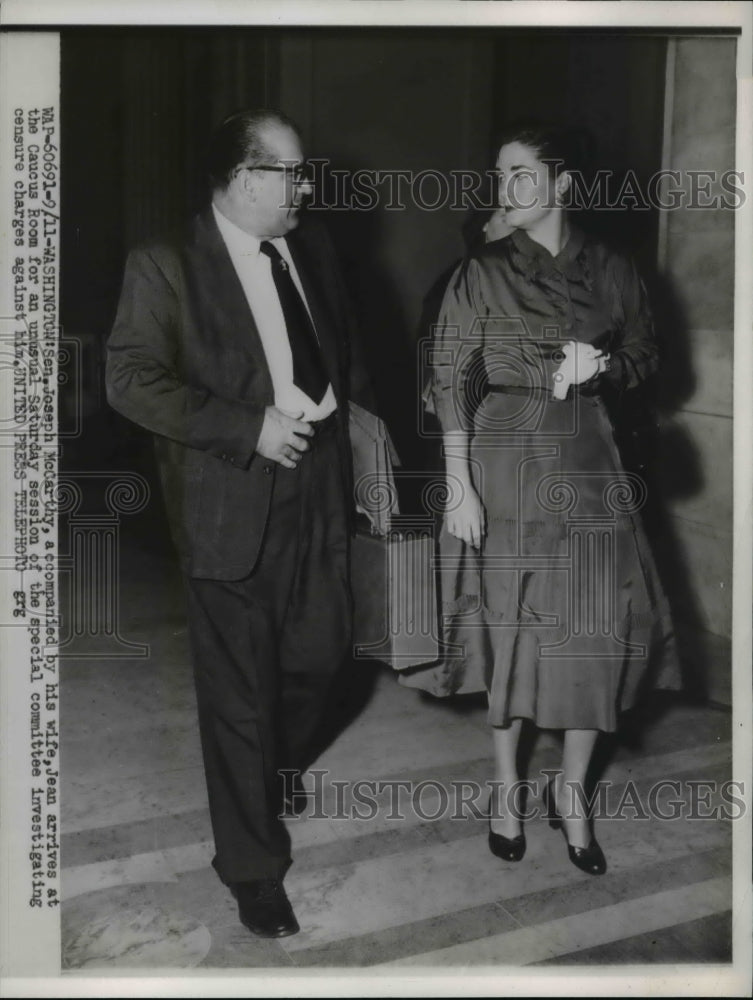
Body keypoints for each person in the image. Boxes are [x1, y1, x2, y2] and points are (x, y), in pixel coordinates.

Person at [106, 108, 372, 937]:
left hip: (320, 484)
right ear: (245, 177)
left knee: (324, 655)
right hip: (230, 498)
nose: (306, 186)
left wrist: (353, 444)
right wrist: (245, 425)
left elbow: (343, 353)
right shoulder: (165, 263)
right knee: (237, 698)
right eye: (292, 172)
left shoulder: (315, 247)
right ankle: (252, 867)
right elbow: (129, 380)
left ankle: (271, 766)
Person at [420, 124, 679, 875]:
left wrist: (603, 365)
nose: (505, 189)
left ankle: (572, 794)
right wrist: (457, 484)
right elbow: (449, 380)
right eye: (500, 176)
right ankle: (505, 792)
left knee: (590, 635)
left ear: (562, 186)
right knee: (511, 632)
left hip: (590, 465)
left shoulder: (613, 268)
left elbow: (646, 354)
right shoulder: (480, 272)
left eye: (521, 176)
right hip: (505, 465)